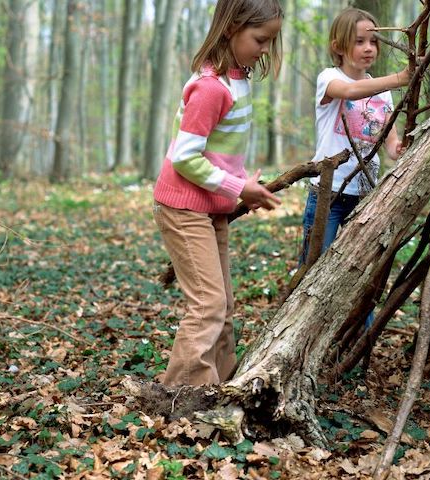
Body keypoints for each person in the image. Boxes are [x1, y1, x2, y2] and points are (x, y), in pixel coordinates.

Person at [153, 0, 283, 387]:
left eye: (270, 41)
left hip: (212, 207)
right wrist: (237, 185)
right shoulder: (210, 88)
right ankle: (184, 395)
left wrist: (242, 183)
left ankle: (223, 385)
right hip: (183, 207)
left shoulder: (237, 78)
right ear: (231, 28)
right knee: (208, 304)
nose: (265, 50)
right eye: (260, 39)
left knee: (222, 305)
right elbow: (185, 158)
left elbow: (219, 150)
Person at [300, 7, 411, 327]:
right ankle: (307, 330)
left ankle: (356, 336)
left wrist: (397, 148)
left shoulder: (382, 89)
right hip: (328, 195)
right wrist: (401, 77)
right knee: (315, 268)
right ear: (338, 46)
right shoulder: (329, 78)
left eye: (374, 42)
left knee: (360, 270)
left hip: (365, 196)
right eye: (359, 41)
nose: (368, 48)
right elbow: (348, 91)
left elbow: (389, 138)